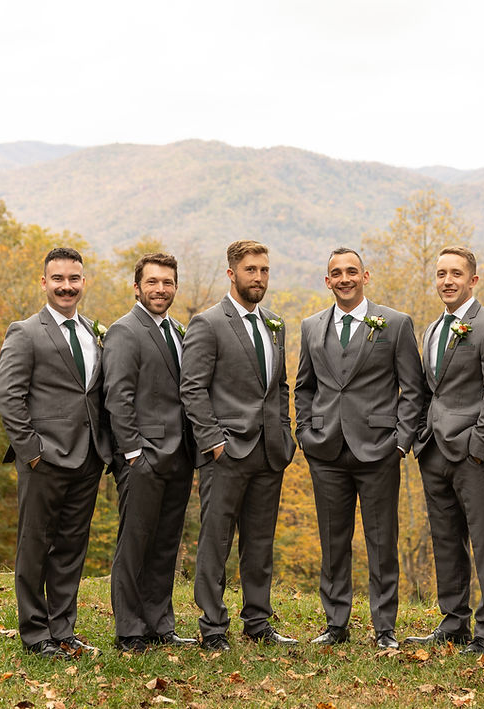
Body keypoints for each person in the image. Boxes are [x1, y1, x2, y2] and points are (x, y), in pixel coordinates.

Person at [294, 247, 423, 649]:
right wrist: (305, 433)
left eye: (352, 271)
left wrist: (400, 443)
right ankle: (336, 624)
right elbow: (304, 387)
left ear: (365, 276)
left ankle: (385, 628)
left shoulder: (395, 324)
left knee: (382, 542)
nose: (344, 279)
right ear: (327, 281)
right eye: (336, 273)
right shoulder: (311, 327)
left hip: (379, 450)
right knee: (333, 542)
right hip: (325, 451)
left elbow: (413, 389)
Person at [180, 239, 298, 650]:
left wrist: (284, 432)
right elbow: (192, 389)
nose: (259, 277)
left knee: (260, 542)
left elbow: (279, 386)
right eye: (251, 270)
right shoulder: (208, 323)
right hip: (226, 453)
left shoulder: (275, 323)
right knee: (216, 542)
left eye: (264, 270)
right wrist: (214, 442)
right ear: (231, 273)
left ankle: (258, 622)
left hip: (270, 452)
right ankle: (213, 627)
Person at [0, 247, 112, 658]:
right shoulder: (25, 332)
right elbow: (8, 397)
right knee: (34, 547)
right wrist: (31, 452)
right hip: (43, 460)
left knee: (71, 547)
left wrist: (104, 449)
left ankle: (63, 629)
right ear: (44, 282)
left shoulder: (94, 332)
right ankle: (34, 633)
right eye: (58, 279)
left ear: (84, 282)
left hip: (88, 458)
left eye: (74, 279)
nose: (67, 286)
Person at [404, 246, 484, 655]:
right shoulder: (433, 328)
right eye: (441, 274)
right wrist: (421, 434)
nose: (447, 281)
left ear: (473, 280)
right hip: (433, 450)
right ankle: (454, 623)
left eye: (456, 274)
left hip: (472, 453)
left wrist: (480, 446)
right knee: (446, 540)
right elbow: (427, 389)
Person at [103, 253, 198, 653]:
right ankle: (129, 630)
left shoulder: (177, 330)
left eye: (168, 282)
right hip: (142, 457)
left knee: (165, 544)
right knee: (135, 545)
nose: (161, 289)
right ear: (137, 287)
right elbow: (117, 396)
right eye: (153, 282)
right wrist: (132, 453)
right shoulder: (125, 331)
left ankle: (160, 624)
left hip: (179, 455)